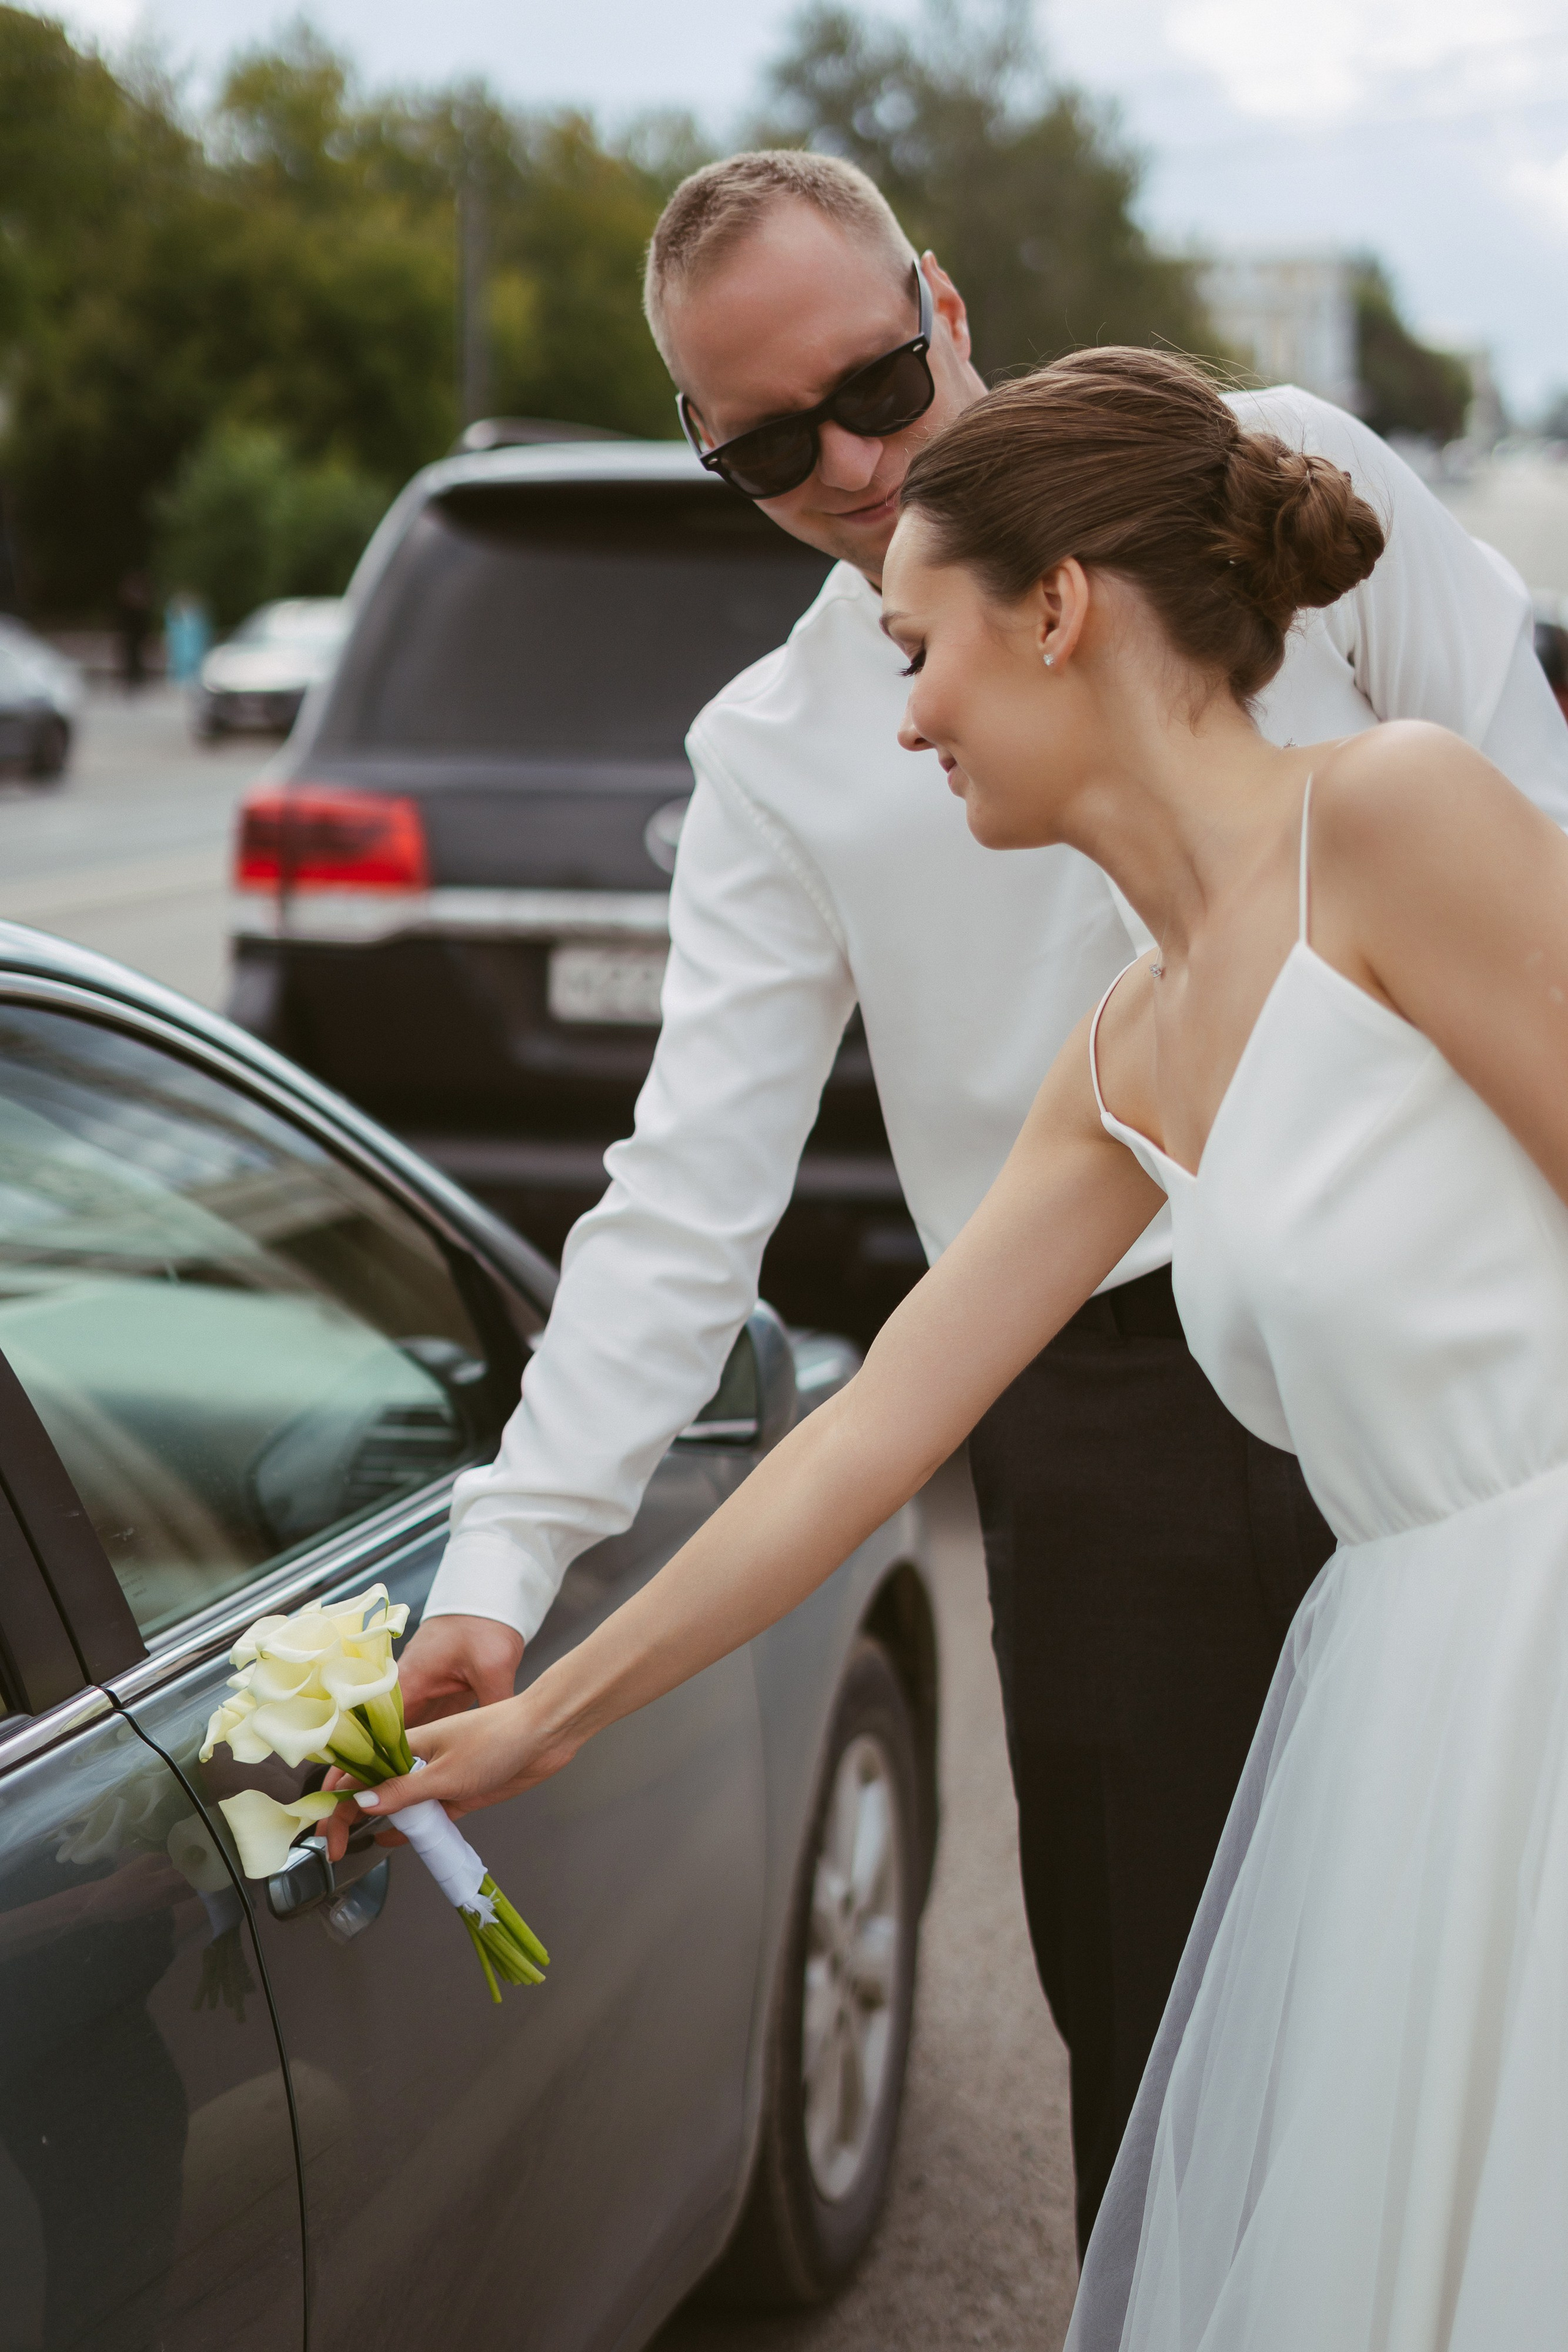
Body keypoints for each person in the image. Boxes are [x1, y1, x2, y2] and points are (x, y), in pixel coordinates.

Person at [392, 152, 1568, 2244]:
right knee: (1202, 2073)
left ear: (937, 297)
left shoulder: (1303, 560)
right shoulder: (1058, 1008)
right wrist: (527, 1634)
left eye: (867, 386)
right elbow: (734, 1268)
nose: (847, 476)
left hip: (1501, 1474)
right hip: (1126, 1413)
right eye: (767, 447)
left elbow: (1530, 868)